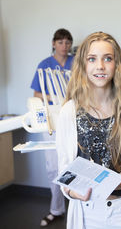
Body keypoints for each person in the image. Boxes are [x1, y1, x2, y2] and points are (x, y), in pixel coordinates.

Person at [56, 31, 121, 229]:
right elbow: (65, 172)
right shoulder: (69, 110)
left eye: (107, 59)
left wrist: (117, 182)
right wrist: (71, 192)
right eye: (92, 59)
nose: (100, 66)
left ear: (116, 64)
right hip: (86, 213)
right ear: (82, 65)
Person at [30, 28, 74, 227]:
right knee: (53, 167)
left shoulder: (76, 63)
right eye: (61, 42)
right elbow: (36, 94)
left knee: (76, 161)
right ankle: (56, 209)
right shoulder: (45, 66)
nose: (64, 46)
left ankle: (78, 206)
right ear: (54, 44)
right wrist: (55, 97)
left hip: (74, 117)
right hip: (52, 120)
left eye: (67, 42)